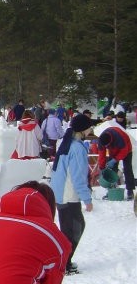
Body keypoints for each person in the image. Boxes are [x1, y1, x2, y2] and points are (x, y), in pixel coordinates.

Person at [50, 113, 94, 274]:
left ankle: (64, 262)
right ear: (83, 129)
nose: (91, 129)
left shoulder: (68, 143)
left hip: (61, 192)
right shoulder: (76, 148)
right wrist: (86, 198)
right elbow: (78, 176)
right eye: (90, 126)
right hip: (68, 194)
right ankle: (63, 264)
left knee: (70, 229)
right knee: (75, 229)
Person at [98, 126, 135, 201]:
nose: (106, 147)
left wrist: (114, 160)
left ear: (110, 141)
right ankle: (112, 190)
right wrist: (102, 167)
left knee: (127, 169)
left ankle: (130, 191)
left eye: (107, 146)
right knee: (111, 170)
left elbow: (124, 151)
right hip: (113, 151)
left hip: (127, 149)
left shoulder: (118, 136)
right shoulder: (101, 140)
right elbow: (102, 154)